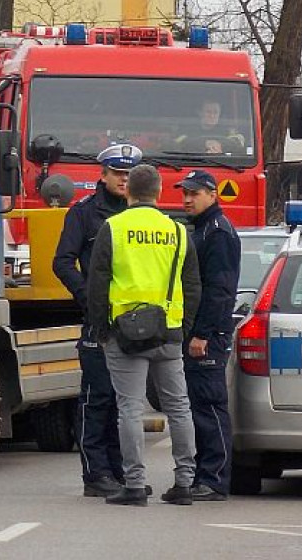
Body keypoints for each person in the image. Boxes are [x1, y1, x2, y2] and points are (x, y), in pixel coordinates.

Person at [86, 164, 202, 506]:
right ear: (160, 192)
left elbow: (97, 284)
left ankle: (135, 485)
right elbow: (193, 284)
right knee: (179, 407)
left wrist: (102, 330)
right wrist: (185, 326)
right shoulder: (178, 231)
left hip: (125, 332)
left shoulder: (114, 228)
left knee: (130, 409)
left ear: (129, 193)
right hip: (169, 331)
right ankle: (184, 483)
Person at [52, 143, 143, 497]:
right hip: (99, 319)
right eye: (118, 173)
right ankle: (96, 473)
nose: (124, 179)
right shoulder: (85, 214)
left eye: (129, 173)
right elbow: (62, 262)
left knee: (126, 398)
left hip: (133, 320)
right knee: (98, 395)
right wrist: (88, 297)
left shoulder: (143, 215)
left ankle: (118, 470)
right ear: (102, 176)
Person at [177, 170, 241, 501]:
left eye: (194, 193)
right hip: (198, 332)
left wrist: (202, 333)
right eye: (184, 193)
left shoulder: (218, 233)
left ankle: (213, 479)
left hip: (208, 336)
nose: (187, 199)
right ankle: (203, 475)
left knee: (209, 407)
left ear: (212, 195)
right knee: (199, 406)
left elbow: (219, 290)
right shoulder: (202, 229)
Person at [172, 99, 246, 155]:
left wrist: (220, 144)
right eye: (208, 112)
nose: (212, 116)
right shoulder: (188, 129)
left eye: (215, 112)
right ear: (200, 113)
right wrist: (204, 143)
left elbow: (239, 141)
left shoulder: (228, 131)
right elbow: (177, 142)